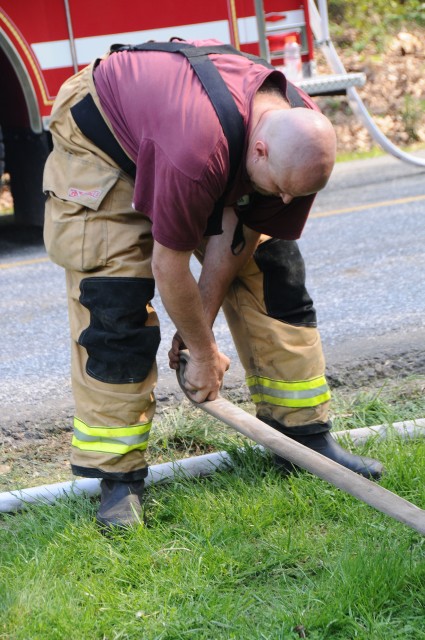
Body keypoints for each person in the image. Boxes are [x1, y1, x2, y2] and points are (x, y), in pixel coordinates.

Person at [43, 38, 383, 529]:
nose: (286, 199)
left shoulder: (298, 137)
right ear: (260, 150)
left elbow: (238, 234)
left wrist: (198, 324)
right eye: (281, 187)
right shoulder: (196, 153)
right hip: (101, 143)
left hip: (189, 132)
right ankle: (119, 481)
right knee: (113, 301)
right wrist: (202, 354)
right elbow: (168, 265)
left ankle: (303, 437)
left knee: (273, 270)